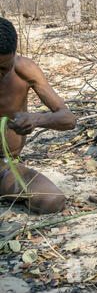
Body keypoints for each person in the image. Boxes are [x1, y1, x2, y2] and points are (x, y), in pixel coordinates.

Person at [0, 17, 76, 214]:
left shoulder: (24, 70)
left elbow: (68, 119)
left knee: (52, 200)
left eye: (2, 68)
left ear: (14, 55)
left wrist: (36, 119)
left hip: (4, 166)